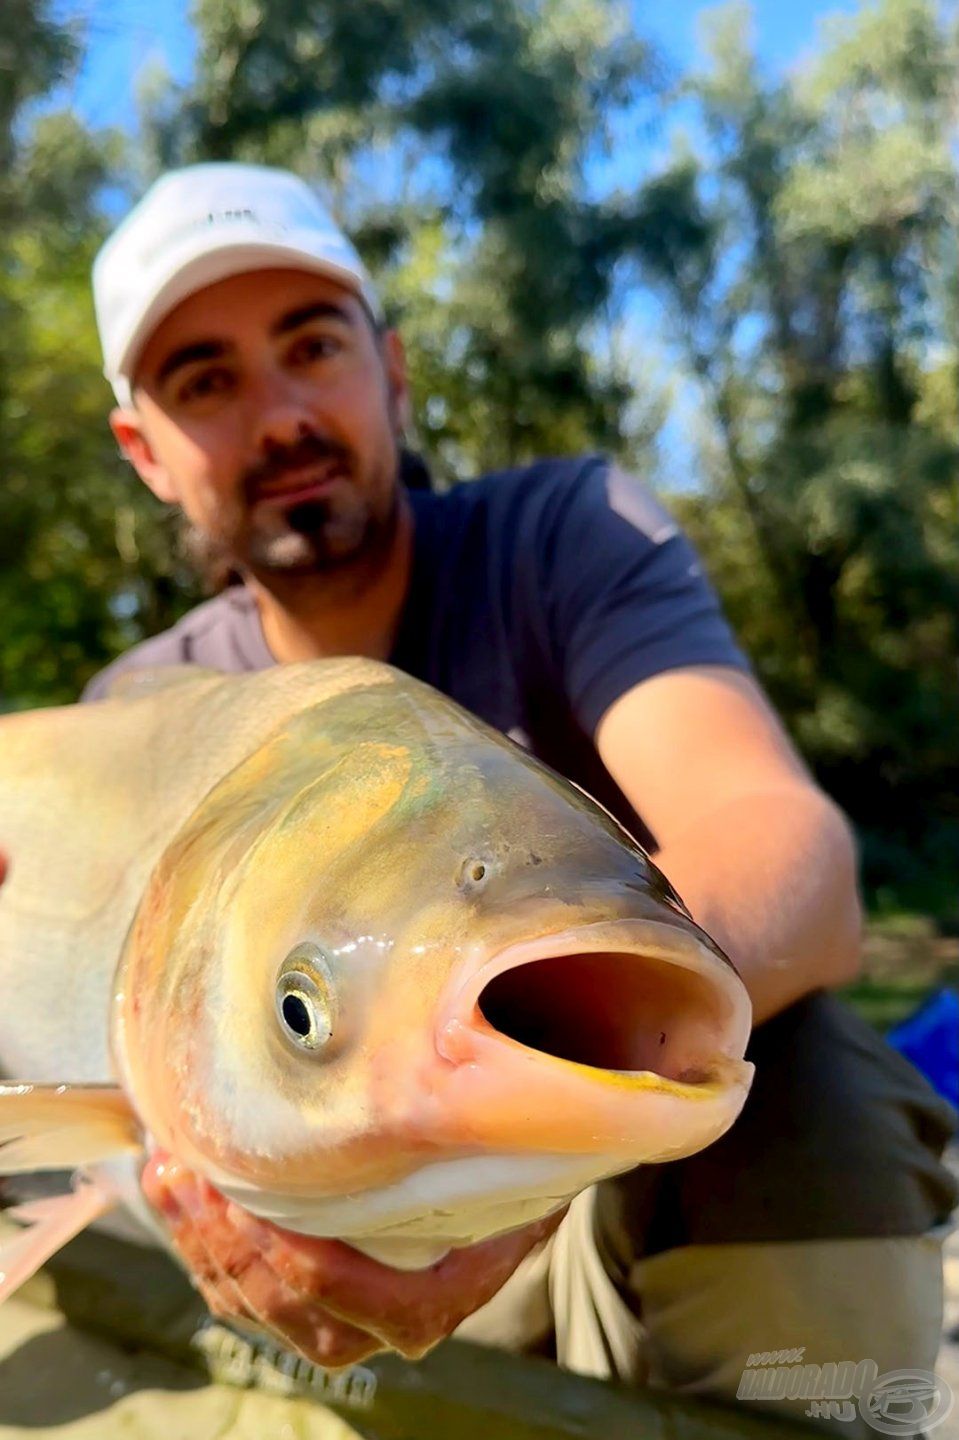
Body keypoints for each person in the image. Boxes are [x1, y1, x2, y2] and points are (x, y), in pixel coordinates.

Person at [63, 163, 958, 1429]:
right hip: (323, 1258)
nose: (277, 417)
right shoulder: (136, 722)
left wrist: (515, 1133)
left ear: (394, 370)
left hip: (602, 1222)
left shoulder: (566, 538)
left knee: (805, 1079)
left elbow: (789, 859)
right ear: (144, 451)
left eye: (311, 347)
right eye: (206, 380)